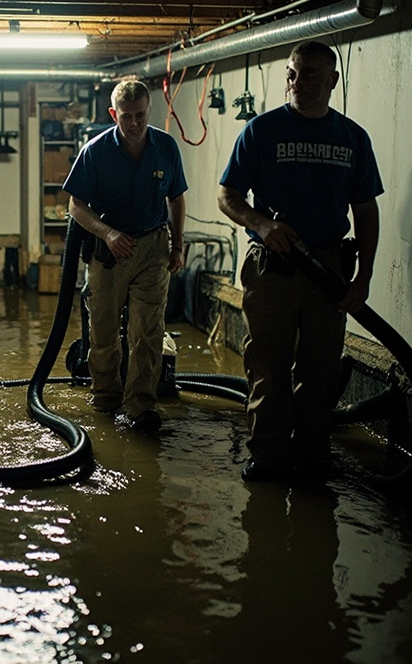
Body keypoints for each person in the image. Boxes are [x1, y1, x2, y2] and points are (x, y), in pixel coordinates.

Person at [217, 40, 383, 482]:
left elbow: (366, 211)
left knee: (320, 369)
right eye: (292, 73)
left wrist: (363, 277)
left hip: (329, 269)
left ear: (332, 81)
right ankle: (269, 458)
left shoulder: (352, 138)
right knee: (268, 367)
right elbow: (227, 195)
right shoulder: (261, 131)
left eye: (310, 74)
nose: (297, 82)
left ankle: (311, 458)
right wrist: (261, 224)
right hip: (273, 266)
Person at [64, 78, 187, 433]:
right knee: (103, 330)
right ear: (112, 114)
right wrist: (107, 232)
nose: (134, 124)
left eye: (141, 116)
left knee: (148, 331)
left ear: (150, 111)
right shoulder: (96, 150)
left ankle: (141, 404)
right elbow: (76, 205)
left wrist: (177, 246)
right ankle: (105, 397)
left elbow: (176, 199)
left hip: (152, 245)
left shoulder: (165, 147)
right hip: (109, 249)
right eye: (126, 117)